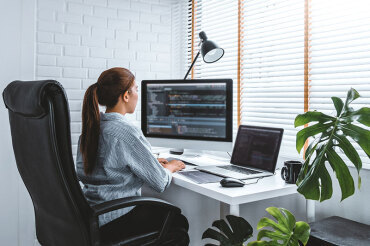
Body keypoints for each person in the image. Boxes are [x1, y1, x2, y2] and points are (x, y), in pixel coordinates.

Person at [76, 67, 189, 245]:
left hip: (91, 216)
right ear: (126, 95)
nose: (138, 94)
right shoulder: (127, 132)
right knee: (178, 222)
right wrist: (170, 167)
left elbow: (96, 168)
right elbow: (160, 183)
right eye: (136, 89)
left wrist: (148, 162)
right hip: (115, 218)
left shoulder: (92, 128)